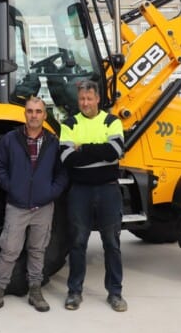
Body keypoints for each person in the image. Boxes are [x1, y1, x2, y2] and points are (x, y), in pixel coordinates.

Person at [0, 97, 68, 314]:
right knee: (9, 250)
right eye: (30, 111)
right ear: (25, 114)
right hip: (17, 205)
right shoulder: (11, 139)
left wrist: (51, 192)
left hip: (43, 207)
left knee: (38, 250)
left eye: (38, 111)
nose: (34, 115)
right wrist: (11, 187)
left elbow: (61, 172)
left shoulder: (52, 142)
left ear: (44, 115)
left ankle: (35, 291)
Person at [59, 80, 128, 312]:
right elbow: (67, 159)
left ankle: (115, 293)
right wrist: (98, 150)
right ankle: (74, 292)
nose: (85, 103)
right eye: (81, 99)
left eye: (89, 98)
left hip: (108, 189)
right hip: (80, 191)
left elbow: (115, 152)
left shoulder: (112, 121)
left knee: (112, 243)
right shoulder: (69, 124)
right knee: (77, 242)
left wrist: (83, 149)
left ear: (98, 99)